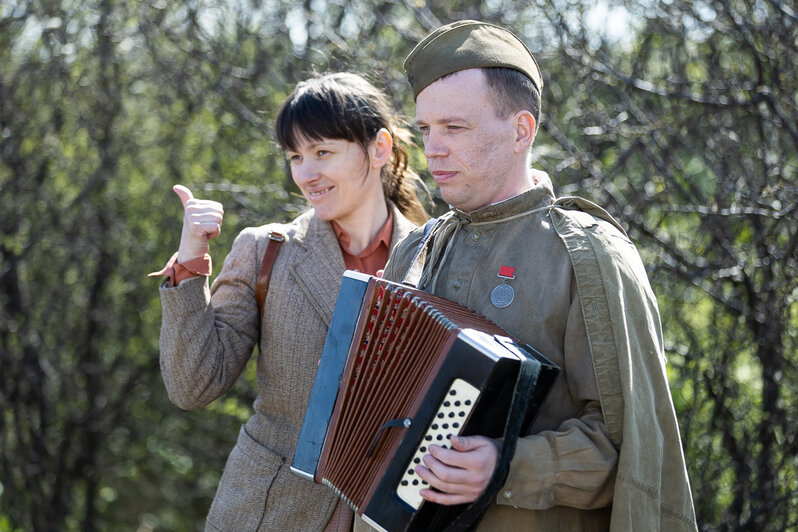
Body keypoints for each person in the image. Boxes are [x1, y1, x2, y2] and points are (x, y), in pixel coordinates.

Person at [356, 20, 698, 531]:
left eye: (455, 128)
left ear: (521, 130)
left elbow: (634, 453)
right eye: (427, 130)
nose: (434, 149)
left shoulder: (588, 254)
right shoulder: (415, 249)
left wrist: (505, 465)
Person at [151, 72, 427, 531]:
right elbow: (192, 386)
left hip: (386, 516)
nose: (306, 174)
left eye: (322, 153)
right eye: (296, 157)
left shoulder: (439, 257)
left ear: (379, 149)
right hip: (270, 514)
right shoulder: (265, 250)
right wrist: (192, 257)